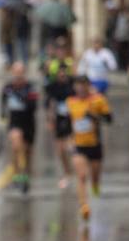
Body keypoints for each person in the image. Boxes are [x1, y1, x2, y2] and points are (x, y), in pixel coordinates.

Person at [66, 74, 112, 221]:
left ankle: (95, 186)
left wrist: (94, 116)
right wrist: (68, 139)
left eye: (83, 85)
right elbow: (66, 123)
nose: (80, 88)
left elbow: (109, 119)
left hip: (94, 144)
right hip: (78, 145)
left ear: (87, 86)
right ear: (74, 87)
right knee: (81, 175)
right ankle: (84, 206)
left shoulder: (98, 100)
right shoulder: (70, 102)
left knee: (94, 175)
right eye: (77, 85)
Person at [1, 62, 38, 193]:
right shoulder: (8, 87)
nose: (18, 74)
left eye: (20, 71)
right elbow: (3, 102)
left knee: (27, 151)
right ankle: (16, 175)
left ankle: (26, 174)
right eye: (16, 71)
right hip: (14, 122)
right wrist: (3, 115)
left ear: (24, 72)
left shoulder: (30, 88)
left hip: (28, 122)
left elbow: (34, 106)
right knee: (16, 147)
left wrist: (22, 97)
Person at [44, 66, 75, 189]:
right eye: (60, 75)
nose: (62, 77)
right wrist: (50, 120)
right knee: (60, 150)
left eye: (64, 75)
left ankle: (75, 171)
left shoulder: (72, 86)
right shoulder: (53, 88)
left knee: (70, 147)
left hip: (71, 119)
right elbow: (49, 104)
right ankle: (67, 173)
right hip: (58, 119)